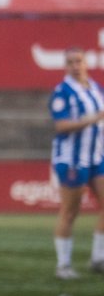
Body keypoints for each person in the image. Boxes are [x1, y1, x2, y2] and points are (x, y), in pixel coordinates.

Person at [48, 47, 104, 280]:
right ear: (65, 66)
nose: (75, 65)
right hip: (72, 159)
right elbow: (60, 126)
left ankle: (98, 258)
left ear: (85, 63)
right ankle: (63, 265)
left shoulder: (96, 88)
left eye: (78, 61)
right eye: (70, 62)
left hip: (97, 156)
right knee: (70, 212)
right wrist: (90, 120)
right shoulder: (62, 92)